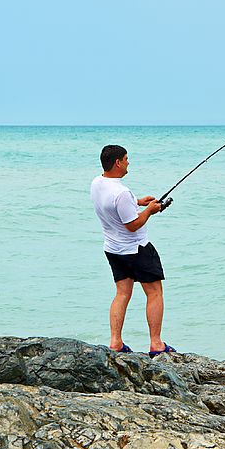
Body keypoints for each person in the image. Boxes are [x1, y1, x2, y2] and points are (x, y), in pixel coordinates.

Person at [90, 144, 176, 356]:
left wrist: (137, 202)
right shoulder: (121, 192)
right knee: (154, 292)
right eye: (126, 159)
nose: (129, 162)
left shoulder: (97, 183)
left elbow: (112, 205)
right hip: (136, 249)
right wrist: (150, 210)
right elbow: (133, 224)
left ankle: (116, 343)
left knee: (122, 293)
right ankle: (156, 344)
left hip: (112, 249)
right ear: (118, 162)